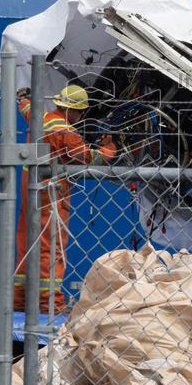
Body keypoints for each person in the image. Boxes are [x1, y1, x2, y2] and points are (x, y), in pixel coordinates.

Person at [14, 84, 116, 314]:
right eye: (81, 112)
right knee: (51, 247)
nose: (81, 117)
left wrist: (22, 99)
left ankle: (19, 302)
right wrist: (110, 148)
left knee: (26, 244)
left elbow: (26, 108)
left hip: (29, 186)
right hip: (51, 192)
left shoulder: (41, 117)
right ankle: (50, 304)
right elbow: (88, 158)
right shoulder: (66, 132)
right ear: (72, 111)